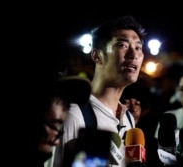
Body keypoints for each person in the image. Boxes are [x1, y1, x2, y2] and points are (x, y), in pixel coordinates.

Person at [53, 15, 147, 167]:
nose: (134, 54)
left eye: (138, 48)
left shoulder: (128, 119)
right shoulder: (75, 115)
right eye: (122, 45)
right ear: (97, 55)